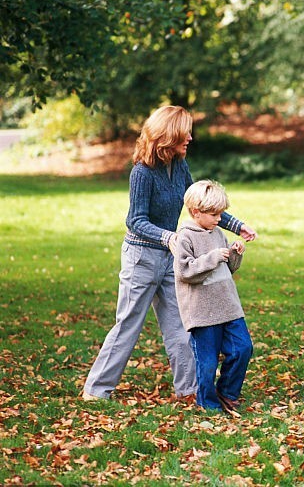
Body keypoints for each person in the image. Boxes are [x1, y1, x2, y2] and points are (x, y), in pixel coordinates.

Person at [82, 105, 257, 401]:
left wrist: (237, 225)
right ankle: (96, 390)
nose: (189, 137)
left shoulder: (178, 165)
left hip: (171, 257)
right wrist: (168, 237)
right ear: (168, 135)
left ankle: (189, 389)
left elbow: (199, 203)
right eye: (184, 131)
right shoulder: (142, 172)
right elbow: (135, 220)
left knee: (181, 325)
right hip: (142, 258)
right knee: (128, 324)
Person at [173, 180, 253, 413]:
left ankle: (227, 392)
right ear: (196, 212)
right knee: (207, 362)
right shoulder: (185, 237)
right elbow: (185, 272)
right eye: (214, 214)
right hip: (202, 312)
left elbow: (228, 268)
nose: (219, 219)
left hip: (228, 306)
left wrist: (235, 254)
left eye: (221, 214)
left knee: (242, 348)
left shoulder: (217, 233)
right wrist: (213, 257)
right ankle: (207, 403)